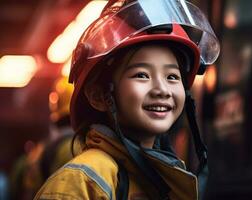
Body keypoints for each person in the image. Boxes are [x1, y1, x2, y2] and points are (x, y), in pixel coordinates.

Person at [34, 0, 219, 199]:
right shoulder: (80, 182)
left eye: (172, 77)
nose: (162, 90)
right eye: (141, 75)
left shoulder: (164, 177)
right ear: (99, 96)